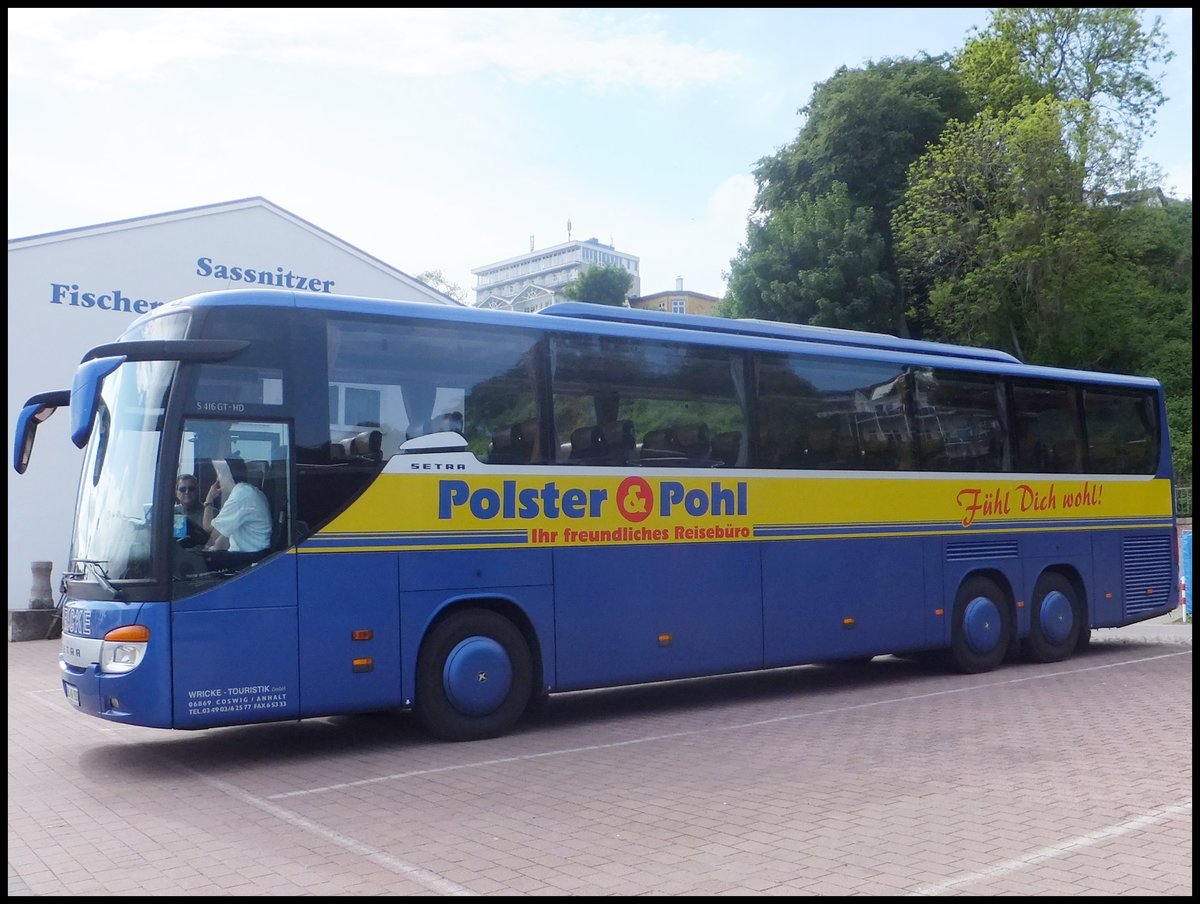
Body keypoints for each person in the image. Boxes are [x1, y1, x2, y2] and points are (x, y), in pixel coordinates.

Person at [203, 456, 273, 553]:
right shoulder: (246, 491)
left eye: (219, 474)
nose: (217, 479)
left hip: (251, 556)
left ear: (227, 475)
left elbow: (209, 531)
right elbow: (226, 529)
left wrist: (209, 499)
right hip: (251, 553)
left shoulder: (241, 496)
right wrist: (215, 546)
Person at [174, 473, 208, 544]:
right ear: (176, 492)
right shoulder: (170, 513)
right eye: (182, 489)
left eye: (191, 489)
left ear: (197, 491)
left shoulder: (210, 513)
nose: (187, 492)